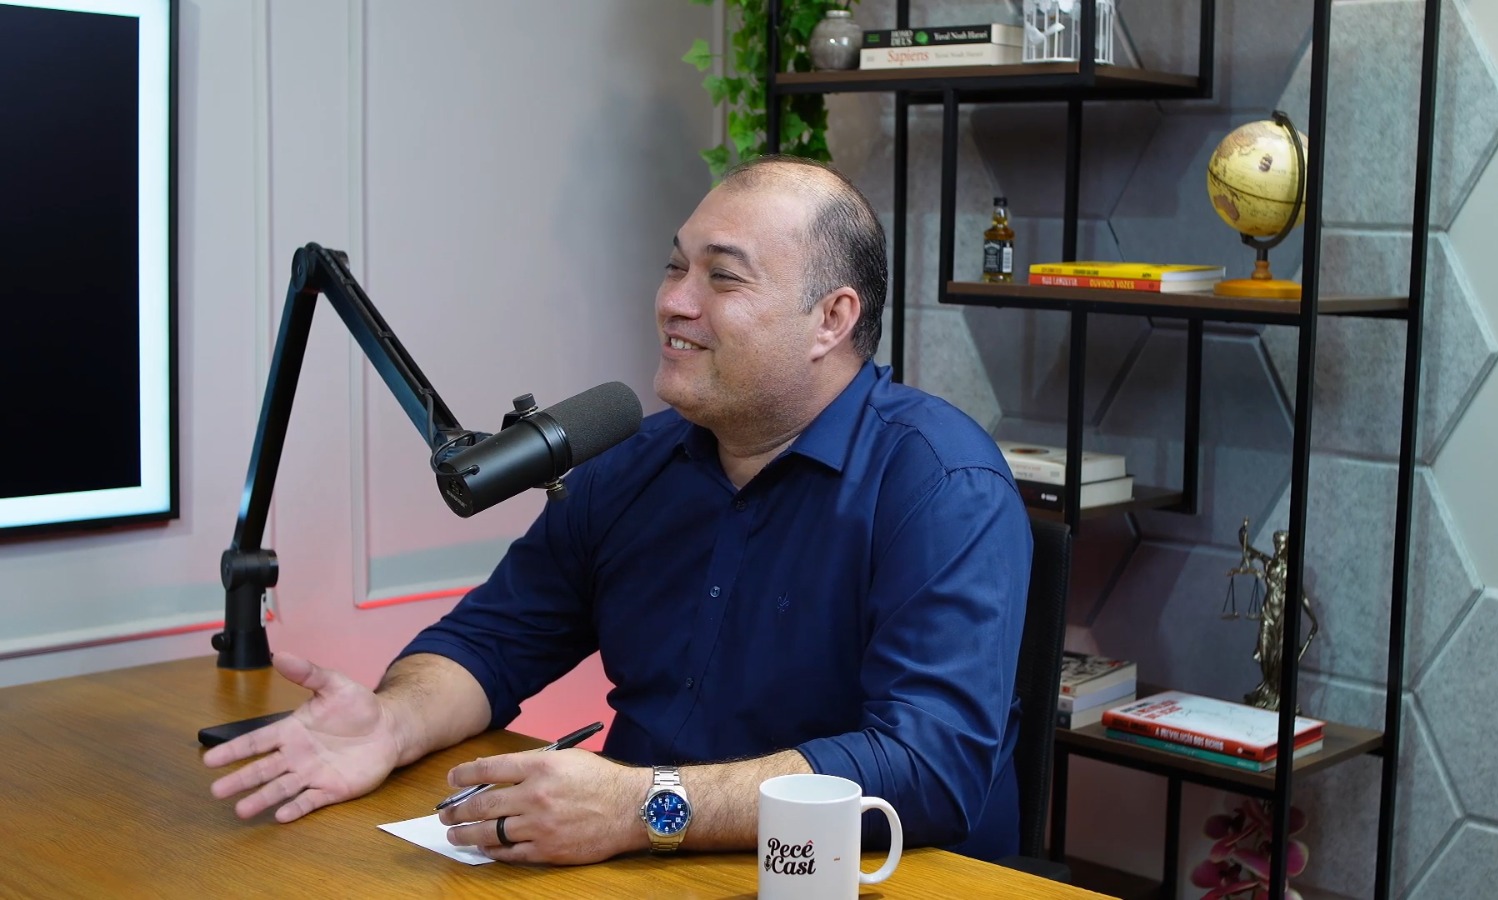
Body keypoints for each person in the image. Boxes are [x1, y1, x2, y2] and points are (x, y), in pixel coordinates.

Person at [205, 155, 1033, 865]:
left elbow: (929, 770)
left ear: (831, 319)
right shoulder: (632, 464)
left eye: (723, 277)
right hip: (646, 869)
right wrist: (392, 723)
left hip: (864, 876)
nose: (675, 301)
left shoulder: (942, 485)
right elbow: (490, 643)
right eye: (675, 267)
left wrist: (644, 808)